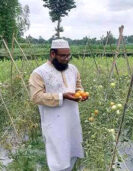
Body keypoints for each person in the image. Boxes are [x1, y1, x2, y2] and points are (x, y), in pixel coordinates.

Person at [29, 39, 87, 171]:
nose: (66, 59)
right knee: (58, 158)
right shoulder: (39, 73)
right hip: (54, 122)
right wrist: (62, 96)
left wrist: (81, 94)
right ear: (52, 54)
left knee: (72, 152)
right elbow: (36, 97)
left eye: (68, 55)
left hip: (72, 119)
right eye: (63, 56)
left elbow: (78, 86)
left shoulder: (73, 69)